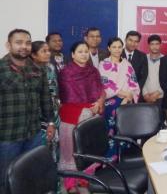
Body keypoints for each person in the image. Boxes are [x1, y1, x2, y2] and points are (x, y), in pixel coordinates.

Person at [0, 29, 55, 193]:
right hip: (7, 136)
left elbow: (45, 98)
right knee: (6, 179)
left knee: (32, 176)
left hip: (34, 134)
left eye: (28, 42)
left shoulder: (38, 69)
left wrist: (51, 122)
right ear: (8, 45)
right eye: (19, 42)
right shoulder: (1, 70)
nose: (24, 46)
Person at [58, 41, 105, 193]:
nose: (84, 54)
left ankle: (85, 180)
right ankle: (71, 184)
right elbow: (69, 97)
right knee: (71, 152)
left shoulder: (93, 71)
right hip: (71, 117)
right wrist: (89, 108)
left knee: (87, 150)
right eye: (80, 51)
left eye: (86, 51)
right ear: (72, 55)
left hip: (92, 114)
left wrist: (99, 102)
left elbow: (101, 90)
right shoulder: (66, 72)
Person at [99, 37, 140, 158]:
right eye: (114, 47)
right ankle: (110, 157)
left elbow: (134, 84)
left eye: (119, 47)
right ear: (109, 48)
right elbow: (104, 84)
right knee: (111, 129)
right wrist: (119, 92)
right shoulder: (103, 64)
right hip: (110, 102)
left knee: (125, 129)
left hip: (126, 102)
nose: (117, 50)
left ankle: (124, 155)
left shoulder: (127, 64)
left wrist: (127, 98)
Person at [30, 40, 62, 193]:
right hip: (38, 116)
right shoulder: (30, 70)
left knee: (55, 150)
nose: (48, 53)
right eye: (44, 51)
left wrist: (57, 101)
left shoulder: (50, 67)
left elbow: (55, 89)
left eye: (48, 50)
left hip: (54, 114)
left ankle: (54, 186)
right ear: (33, 55)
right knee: (42, 152)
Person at [143, 35, 164, 114]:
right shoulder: (143, 59)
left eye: (157, 44)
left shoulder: (166, 60)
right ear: (148, 45)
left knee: (160, 122)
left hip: (161, 97)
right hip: (145, 97)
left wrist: (157, 93)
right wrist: (145, 94)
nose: (155, 47)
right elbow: (141, 78)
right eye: (152, 44)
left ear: (160, 45)